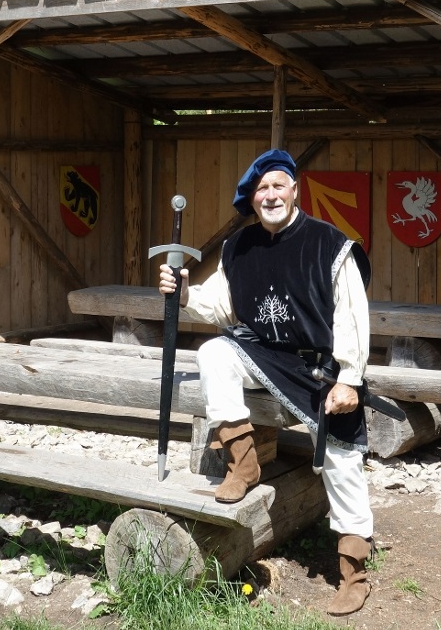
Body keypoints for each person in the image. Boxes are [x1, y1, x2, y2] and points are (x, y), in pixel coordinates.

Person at [158, 148, 374, 616]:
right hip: (263, 357)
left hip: (319, 370)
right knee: (214, 351)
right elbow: (221, 307)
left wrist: (350, 379)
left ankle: (353, 573)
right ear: (252, 199)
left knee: (340, 457)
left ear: (295, 189)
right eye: (261, 189)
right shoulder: (240, 246)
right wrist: (185, 292)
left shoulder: (329, 243)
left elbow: (353, 316)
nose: (270, 195)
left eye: (278, 185)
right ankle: (244, 465)